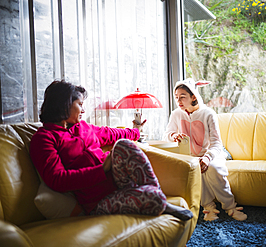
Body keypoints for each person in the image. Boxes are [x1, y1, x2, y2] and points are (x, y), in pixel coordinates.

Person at [30, 80, 193, 221]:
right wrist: (101, 169)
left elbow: (110, 133)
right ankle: (158, 199)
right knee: (153, 199)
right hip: (97, 200)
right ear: (64, 104)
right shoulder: (44, 138)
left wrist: (135, 131)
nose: (83, 110)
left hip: (117, 179)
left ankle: (156, 196)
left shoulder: (82, 127)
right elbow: (57, 179)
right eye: (80, 104)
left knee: (123, 144)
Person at [163, 78, 247, 221]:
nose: (179, 101)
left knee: (213, 169)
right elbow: (166, 135)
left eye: (183, 97)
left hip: (213, 154)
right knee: (195, 170)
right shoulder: (176, 114)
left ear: (193, 96)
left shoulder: (208, 114)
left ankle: (230, 207)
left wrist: (207, 158)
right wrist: (174, 135)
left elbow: (217, 143)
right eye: (176, 98)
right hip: (191, 156)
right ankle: (209, 208)